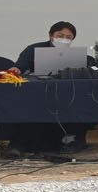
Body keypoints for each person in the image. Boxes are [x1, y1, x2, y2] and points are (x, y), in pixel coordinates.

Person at [12, 21, 92, 153]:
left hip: (66, 92)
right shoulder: (33, 49)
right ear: (51, 35)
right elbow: (20, 66)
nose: (64, 39)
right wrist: (17, 68)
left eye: (68, 37)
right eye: (60, 36)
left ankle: (73, 139)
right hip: (37, 91)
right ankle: (21, 142)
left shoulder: (75, 54)